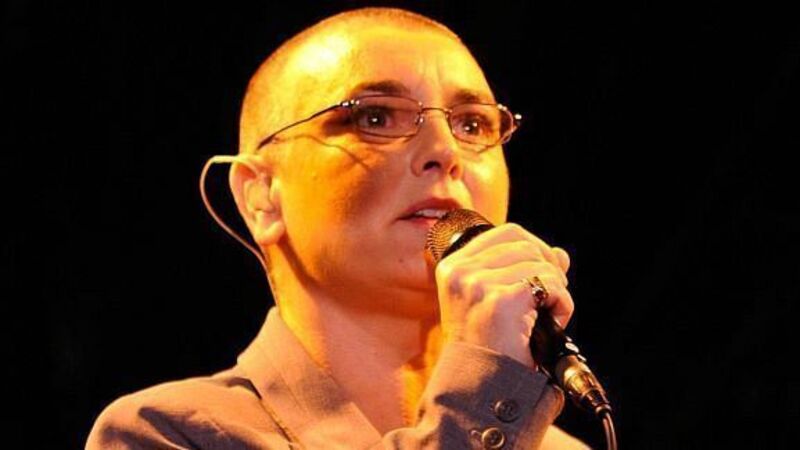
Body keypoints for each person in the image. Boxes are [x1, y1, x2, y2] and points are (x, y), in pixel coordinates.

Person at [87, 7, 589, 449]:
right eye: (376, 117)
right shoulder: (166, 432)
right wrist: (486, 395)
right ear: (261, 197)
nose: (445, 150)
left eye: (473, 124)